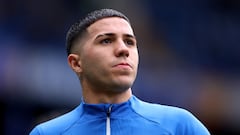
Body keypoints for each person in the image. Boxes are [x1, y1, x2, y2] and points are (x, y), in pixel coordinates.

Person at [29, 8, 210, 135]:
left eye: (129, 42)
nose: (123, 49)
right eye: (106, 41)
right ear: (76, 63)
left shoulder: (180, 126)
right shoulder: (47, 133)